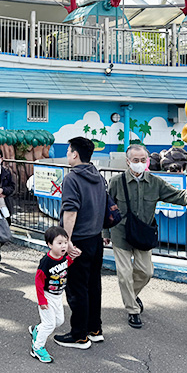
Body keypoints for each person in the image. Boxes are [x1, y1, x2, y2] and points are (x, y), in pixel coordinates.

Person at [107, 144, 187, 329]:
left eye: (143, 160)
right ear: (128, 161)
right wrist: (104, 233)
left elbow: (178, 195)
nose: (139, 163)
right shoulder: (116, 182)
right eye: (135, 160)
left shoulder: (155, 182)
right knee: (124, 274)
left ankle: (131, 295)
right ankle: (132, 310)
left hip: (143, 234)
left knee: (146, 272)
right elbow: (106, 208)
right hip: (120, 233)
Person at [55, 136, 106, 350]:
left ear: (75, 154)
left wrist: (66, 242)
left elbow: (70, 211)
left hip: (79, 241)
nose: (67, 154)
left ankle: (79, 335)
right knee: (93, 285)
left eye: (69, 151)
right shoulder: (98, 176)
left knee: (77, 288)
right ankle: (94, 329)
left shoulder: (72, 178)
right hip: (95, 238)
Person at [29, 225, 78, 364]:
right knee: (50, 324)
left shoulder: (63, 257)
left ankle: (37, 329)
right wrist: (42, 301)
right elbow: (38, 281)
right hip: (47, 296)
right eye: (59, 243)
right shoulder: (46, 261)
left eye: (65, 242)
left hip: (57, 296)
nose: (63, 246)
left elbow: (65, 264)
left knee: (59, 321)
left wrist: (73, 257)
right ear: (50, 245)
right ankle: (37, 348)